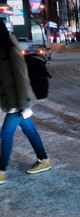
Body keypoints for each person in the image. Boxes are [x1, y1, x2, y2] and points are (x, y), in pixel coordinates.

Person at [0, 22, 51, 184]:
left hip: (18, 101)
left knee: (6, 134)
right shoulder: (3, 50)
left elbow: (22, 79)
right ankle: (43, 160)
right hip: (14, 100)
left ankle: (1, 171)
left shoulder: (11, 50)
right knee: (29, 130)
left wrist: (25, 105)